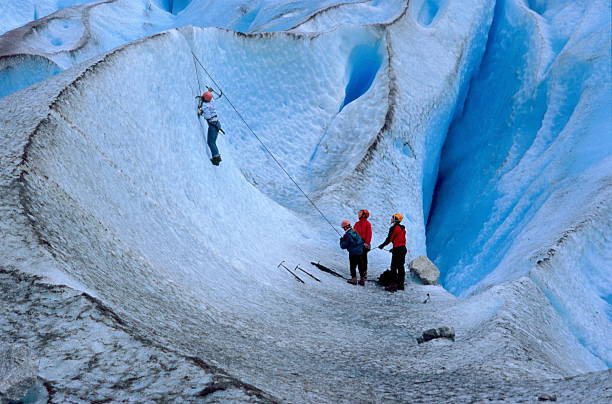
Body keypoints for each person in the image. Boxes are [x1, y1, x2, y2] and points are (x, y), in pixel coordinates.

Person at [377, 213, 407, 292]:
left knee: (393, 267)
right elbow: (400, 240)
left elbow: (389, 239)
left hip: (398, 250)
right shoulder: (402, 228)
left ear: (396, 219)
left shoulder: (394, 228)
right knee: (401, 267)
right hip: (403, 249)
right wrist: (394, 249)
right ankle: (401, 284)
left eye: (393, 218)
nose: (391, 219)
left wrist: (382, 245)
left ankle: (393, 285)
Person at [197, 88, 223, 166]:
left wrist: (200, 112)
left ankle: (216, 159)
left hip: (213, 125)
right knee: (213, 142)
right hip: (217, 124)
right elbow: (211, 98)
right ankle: (217, 157)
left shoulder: (205, 106)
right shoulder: (210, 102)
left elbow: (207, 116)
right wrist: (209, 91)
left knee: (210, 142)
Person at [339, 220, 365, 286]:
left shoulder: (347, 235)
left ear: (345, 227)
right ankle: (362, 279)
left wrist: (341, 241)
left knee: (353, 266)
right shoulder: (354, 231)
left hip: (353, 252)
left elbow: (343, 246)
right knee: (360, 265)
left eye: (343, 228)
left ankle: (354, 279)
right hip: (360, 251)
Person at [353, 209, 372, 285]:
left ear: (364, 215)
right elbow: (353, 233)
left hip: (363, 243)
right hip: (358, 243)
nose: (358, 213)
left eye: (360, 212)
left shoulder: (367, 224)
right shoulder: (357, 224)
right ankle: (362, 273)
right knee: (360, 258)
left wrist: (367, 243)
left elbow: (369, 234)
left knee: (363, 258)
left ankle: (363, 273)